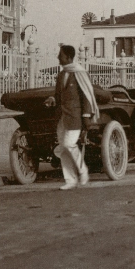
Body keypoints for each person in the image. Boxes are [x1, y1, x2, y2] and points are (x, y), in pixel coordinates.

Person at [45, 45, 99, 190]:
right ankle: (70, 180)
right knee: (63, 149)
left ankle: (83, 171)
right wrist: (52, 99)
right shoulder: (62, 75)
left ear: (68, 57)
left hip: (76, 117)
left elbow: (87, 97)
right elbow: (58, 95)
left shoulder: (80, 73)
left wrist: (86, 117)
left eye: (60, 55)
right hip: (62, 117)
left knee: (69, 144)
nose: (58, 57)